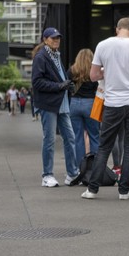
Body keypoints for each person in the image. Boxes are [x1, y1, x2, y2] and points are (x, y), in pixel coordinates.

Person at [81, 17, 129, 200]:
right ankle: (124, 191)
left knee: (104, 146)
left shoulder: (103, 45)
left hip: (113, 103)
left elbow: (93, 75)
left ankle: (92, 189)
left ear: (117, 29)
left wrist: (107, 71)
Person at [31, 27, 80, 188]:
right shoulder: (41, 57)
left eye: (58, 38)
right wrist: (60, 85)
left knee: (70, 138)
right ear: (45, 40)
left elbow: (58, 78)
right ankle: (47, 175)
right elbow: (37, 82)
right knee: (50, 139)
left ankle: (72, 173)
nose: (56, 40)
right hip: (49, 104)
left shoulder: (56, 55)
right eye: (53, 38)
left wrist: (67, 85)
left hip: (61, 103)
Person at [67, 48, 100, 165]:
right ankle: (95, 168)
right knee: (94, 136)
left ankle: (80, 169)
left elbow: (67, 85)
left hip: (74, 103)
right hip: (90, 103)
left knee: (78, 137)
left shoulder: (72, 70)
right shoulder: (95, 71)